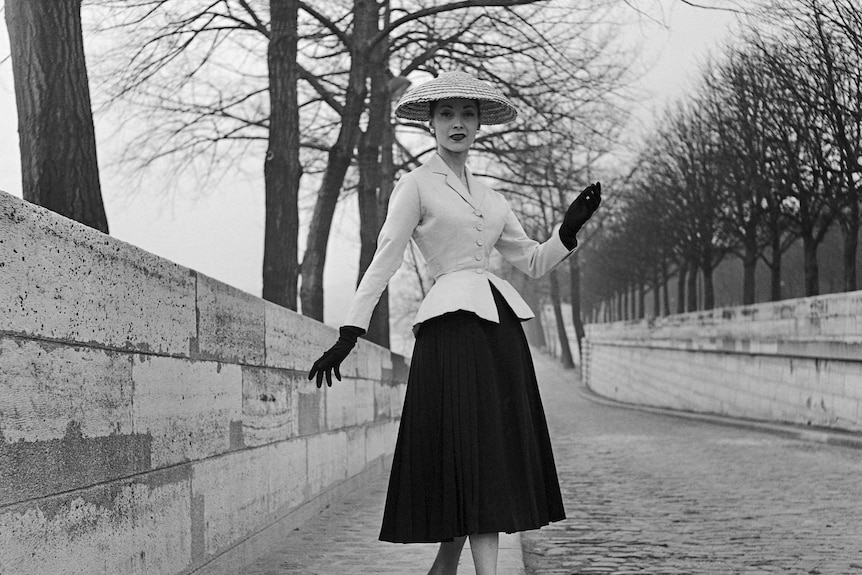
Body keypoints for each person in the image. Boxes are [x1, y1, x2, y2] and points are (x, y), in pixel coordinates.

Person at [308, 70, 601, 575]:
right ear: (431, 123)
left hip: (498, 332)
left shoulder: (492, 198)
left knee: (485, 454)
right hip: (450, 331)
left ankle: (445, 569)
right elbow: (385, 258)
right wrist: (350, 331)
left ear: (480, 123)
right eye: (447, 114)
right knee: (471, 454)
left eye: (468, 114)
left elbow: (530, 260)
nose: (458, 123)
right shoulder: (416, 185)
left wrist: (567, 231)